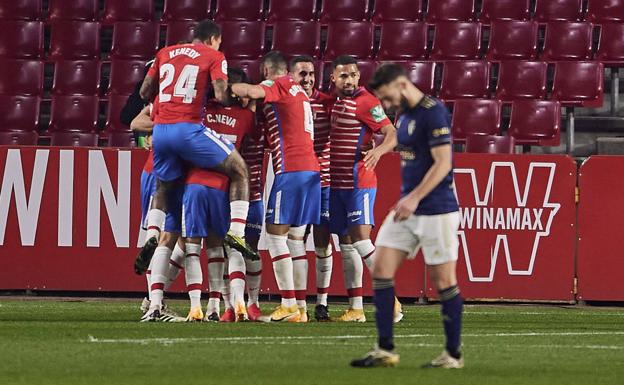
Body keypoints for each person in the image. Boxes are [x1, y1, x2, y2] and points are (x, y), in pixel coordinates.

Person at [138, 20, 252, 322]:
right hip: (188, 130)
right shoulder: (215, 56)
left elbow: (144, 90)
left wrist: (165, 102)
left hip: (161, 133)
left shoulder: (165, 51)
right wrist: (226, 99)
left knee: (165, 197)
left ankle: (154, 296)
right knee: (239, 169)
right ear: (214, 39)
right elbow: (220, 91)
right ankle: (237, 234)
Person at [351, 64, 463, 368]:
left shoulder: (433, 112)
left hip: (437, 210)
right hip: (407, 210)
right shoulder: (407, 115)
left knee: (444, 282)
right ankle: (385, 349)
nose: (386, 105)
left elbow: (443, 163)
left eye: (387, 97)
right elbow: (405, 149)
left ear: (401, 84)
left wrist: (413, 198)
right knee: (382, 270)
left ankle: (452, 355)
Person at [231, 51, 321, 322]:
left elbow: (249, 90)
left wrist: (223, 84)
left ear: (266, 71)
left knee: (275, 237)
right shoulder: (302, 94)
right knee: (295, 239)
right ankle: (302, 309)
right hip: (310, 170)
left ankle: (289, 304)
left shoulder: (278, 84)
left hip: (291, 170)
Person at [181, 67, 263, 322]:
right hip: (222, 189)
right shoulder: (245, 118)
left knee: (191, 248)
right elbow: (257, 137)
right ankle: (222, 306)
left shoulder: (202, 115)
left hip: (193, 184)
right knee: (221, 246)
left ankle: (196, 307)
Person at [328, 56, 399, 322]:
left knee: (361, 240)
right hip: (337, 183)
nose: (350, 80)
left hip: (360, 181)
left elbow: (392, 134)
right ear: (333, 78)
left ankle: (391, 301)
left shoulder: (367, 101)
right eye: (344, 75)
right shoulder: (332, 101)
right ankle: (356, 308)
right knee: (346, 245)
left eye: (354, 75)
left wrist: (379, 151)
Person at [288, 55, 335, 321]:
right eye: (301, 74)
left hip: (324, 181)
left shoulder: (326, 104)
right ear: (291, 76)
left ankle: (322, 303)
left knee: (322, 242)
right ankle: (298, 303)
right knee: (296, 239)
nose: (307, 79)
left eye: (310, 74)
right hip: (298, 180)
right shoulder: (286, 102)